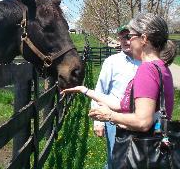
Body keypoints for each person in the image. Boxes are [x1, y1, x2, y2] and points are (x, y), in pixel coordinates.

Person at [61, 13, 176, 166]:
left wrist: (110, 116)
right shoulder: (161, 68)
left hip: (140, 152)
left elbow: (143, 121)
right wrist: (85, 90)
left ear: (144, 39)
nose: (129, 40)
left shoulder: (146, 70)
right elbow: (124, 105)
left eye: (132, 35)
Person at [91, 25, 140, 169]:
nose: (126, 40)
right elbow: (100, 90)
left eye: (129, 36)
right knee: (115, 158)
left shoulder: (146, 61)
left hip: (140, 118)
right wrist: (98, 121)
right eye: (122, 37)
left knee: (139, 157)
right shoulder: (111, 62)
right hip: (114, 119)